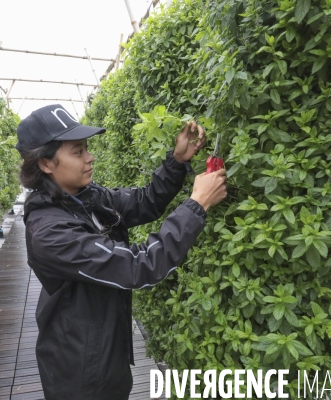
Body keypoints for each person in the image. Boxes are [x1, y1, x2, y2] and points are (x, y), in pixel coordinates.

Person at [16, 104, 227, 399]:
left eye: (87, 148)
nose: (90, 157)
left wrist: (177, 162)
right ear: (45, 164)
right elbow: (140, 265)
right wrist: (197, 205)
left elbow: (144, 202)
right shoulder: (50, 232)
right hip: (81, 372)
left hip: (104, 352)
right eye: (77, 152)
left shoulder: (83, 197)